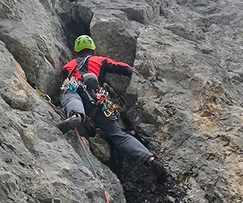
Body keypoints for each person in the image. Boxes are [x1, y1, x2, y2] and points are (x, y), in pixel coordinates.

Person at [58, 35, 165, 179]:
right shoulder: (101, 60)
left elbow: (65, 86)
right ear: (93, 50)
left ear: (76, 52)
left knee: (69, 93)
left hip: (77, 93)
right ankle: (150, 159)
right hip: (98, 101)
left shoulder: (67, 67)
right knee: (119, 135)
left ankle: (76, 115)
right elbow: (125, 69)